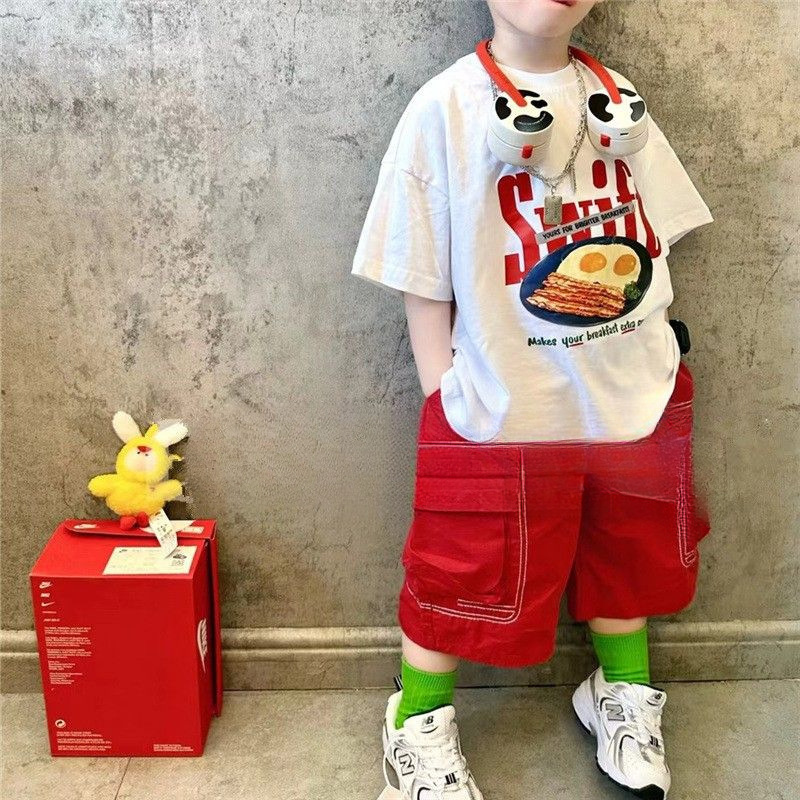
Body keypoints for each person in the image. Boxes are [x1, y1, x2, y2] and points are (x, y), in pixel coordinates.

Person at [351, 2, 714, 798]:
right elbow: (418, 265)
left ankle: (620, 691)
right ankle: (417, 720)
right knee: (458, 570)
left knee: (630, 552)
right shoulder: (444, 108)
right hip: (499, 400)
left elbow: (656, 234)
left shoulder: (616, 96)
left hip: (631, 389)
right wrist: (443, 389)